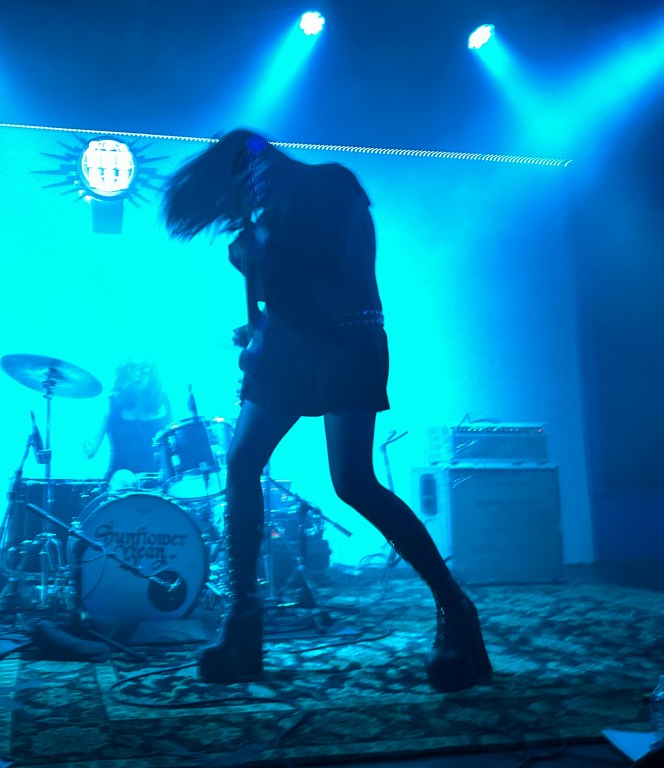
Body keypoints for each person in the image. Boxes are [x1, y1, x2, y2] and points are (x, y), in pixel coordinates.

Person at [160, 129, 492, 691]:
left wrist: (262, 248)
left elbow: (331, 268)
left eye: (244, 182)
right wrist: (255, 326)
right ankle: (244, 616)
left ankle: (455, 608)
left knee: (354, 483)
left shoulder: (330, 185)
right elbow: (278, 301)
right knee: (240, 465)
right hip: (289, 348)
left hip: (345, 342)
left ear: (257, 164)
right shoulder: (263, 217)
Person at [83, 356, 172, 489]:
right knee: (123, 477)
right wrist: (87, 447)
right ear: (124, 374)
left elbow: (175, 439)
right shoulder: (111, 403)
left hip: (157, 479)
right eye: (132, 369)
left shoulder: (164, 401)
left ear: (152, 373)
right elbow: (92, 447)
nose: (137, 373)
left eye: (143, 368)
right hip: (119, 480)